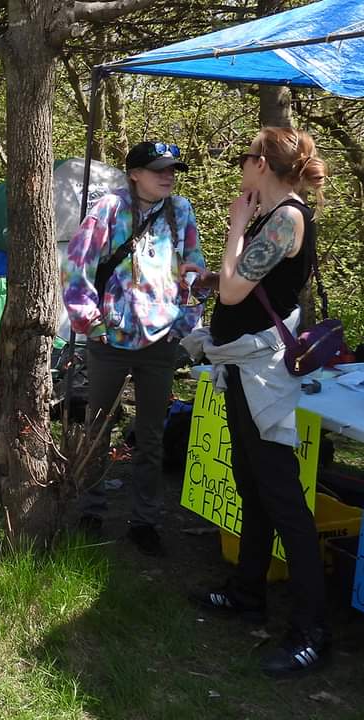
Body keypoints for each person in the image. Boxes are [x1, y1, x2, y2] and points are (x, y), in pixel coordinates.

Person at [187, 127, 329, 677]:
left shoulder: (286, 218)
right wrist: (202, 277)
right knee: (252, 483)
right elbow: (228, 284)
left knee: (283, 498)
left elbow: (233, 290)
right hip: (243, 368)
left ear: (263, 165)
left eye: (245, 157)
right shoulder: (275, 219)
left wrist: (236, 227)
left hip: (264, 374)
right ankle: (249, 592)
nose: (239, 166)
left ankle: (312, 631)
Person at [62, 141, 207, 557]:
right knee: (97, 427)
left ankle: (145, 520)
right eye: (158, 169)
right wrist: (92, 323)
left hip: (161, 342)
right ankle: (91, 508)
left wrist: (185, 320)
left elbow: (192, 268)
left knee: (150, 436)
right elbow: (77, 265)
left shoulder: (180, 211)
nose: (168, 176)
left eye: (172, 169)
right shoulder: (108, 208)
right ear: (135, 173)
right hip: (111, 341)